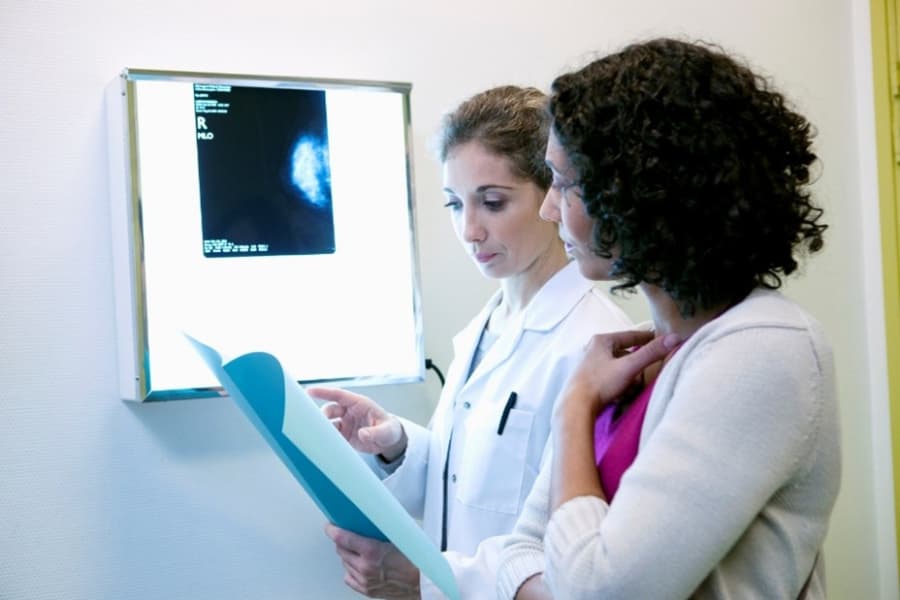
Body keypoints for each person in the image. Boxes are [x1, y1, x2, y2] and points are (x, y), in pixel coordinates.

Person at [497, 38, 841, 600]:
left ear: (640, 191)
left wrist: (574, 410)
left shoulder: (764, 351)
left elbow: (600, 591)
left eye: (564, 184)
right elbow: (518, 552)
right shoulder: (638, 356)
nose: (547, 208)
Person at [307, 85, 632, 598]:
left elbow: (578, 547)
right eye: (456, 204)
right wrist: (394, 444)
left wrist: (426, 578)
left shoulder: (593, 343)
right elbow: (464, 484)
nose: (470, 230)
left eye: (493, 203)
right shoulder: (488, 325)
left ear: (551, 197)